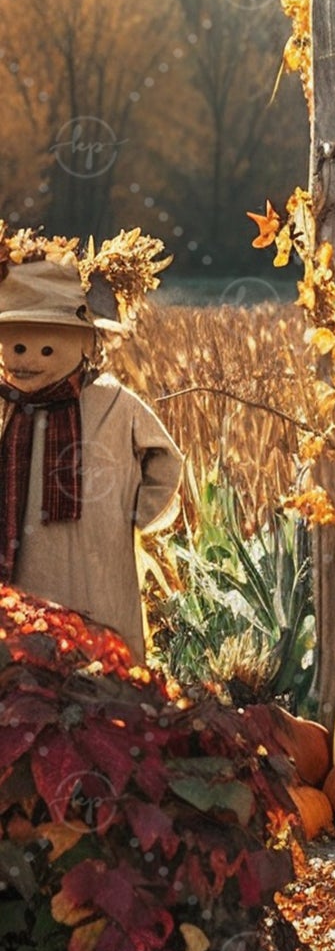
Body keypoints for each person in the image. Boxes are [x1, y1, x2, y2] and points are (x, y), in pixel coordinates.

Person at [0, 258, 183, 662]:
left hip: (98, 558)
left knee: (102, 653)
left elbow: (165, 458)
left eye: (47, 348)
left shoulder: (113, 402)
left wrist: (135, 512)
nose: (28, 359)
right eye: (16, 346)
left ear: (86, 344)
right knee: (24, 652)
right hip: (23, 561)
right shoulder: (6, 408)